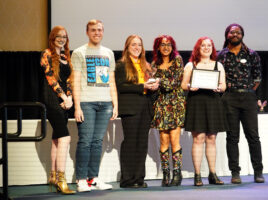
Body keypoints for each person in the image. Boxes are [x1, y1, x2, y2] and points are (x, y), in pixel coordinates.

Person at [71, 19, 118, 192]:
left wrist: (115, 104)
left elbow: (111, 80)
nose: (97, 32)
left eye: (99, 30)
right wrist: (77, 107)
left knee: (98, 142)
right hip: (86, 102)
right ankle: (81, 180)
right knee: (85, 141)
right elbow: (75, 81)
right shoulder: (79, 52)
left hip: (105, 103)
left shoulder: (108, 53)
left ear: (103, 32)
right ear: (87, 32)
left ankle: (93, 178)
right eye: (93, 30)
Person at [217, 23, 265, 184]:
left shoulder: (252, 54)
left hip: (248, 99)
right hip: (229, 98)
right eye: (232, 32)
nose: (235, 34)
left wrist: (248, 90)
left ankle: (258, 172)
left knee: (253, 136)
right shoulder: (221, 55)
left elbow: (257, 78)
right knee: (232, 137)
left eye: (238, 32)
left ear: (242, 35)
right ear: (227, 35)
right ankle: (235, 173)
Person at [115, 35, 159, 188]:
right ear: (127, 47)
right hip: (130, 107)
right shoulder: (121, 65)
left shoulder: (146, 65)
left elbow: (148, 86)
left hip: (145, 107)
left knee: (142, 144)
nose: (137, 47)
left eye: (139, 45)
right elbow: (120, 86)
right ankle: (127, 179)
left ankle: (139, 178)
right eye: (133, 45)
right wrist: (143, 87)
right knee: (130, 142)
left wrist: (153, 86)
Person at [181, 37, 227, 186]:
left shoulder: (218, 65)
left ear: (212, 48)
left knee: (211, 139)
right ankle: (197, 175)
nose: (206, 48)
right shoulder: (190, 65)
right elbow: (183, 85)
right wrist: (190, 86)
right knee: (198, 138)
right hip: (197, 103)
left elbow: (223, 86)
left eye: (209, 45)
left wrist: (219, 88)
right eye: (203, 45)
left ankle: (212, 174)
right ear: (198, 48)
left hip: (213, 102)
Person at [40, 26, 76, 194]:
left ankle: (53, 177)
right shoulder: (46, 53)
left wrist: (69, 99)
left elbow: (68, 81)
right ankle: (62, 179)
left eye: (64, 37)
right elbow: (50, 78)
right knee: (65, 138)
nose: (61, 39)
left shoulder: (65, 56)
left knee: (56, 138)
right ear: (53, 37)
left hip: (64, 101)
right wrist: (63, 97)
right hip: (52, 98)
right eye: (58, 36)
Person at [151, 35, 186, 186]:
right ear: (157, 47)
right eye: (162, 44)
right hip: (160, 103)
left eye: (169, 44)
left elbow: (174, 82)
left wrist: (159, 81)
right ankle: (166, 175)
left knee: (174, 140)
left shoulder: (178, 60)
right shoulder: (154, 64)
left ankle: (177, 175)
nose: (166, 47)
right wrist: (155, 83)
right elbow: (152, 83)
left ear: (173, 46)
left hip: (176, 103)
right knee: (163, 141)